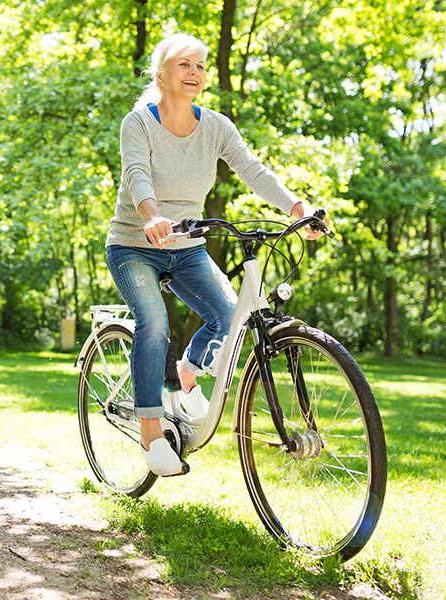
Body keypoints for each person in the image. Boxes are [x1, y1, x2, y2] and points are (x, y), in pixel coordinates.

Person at [106, 33, 331, 476]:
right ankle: (152, 434)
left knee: (230, 315)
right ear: (161, 75)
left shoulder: (215, 126)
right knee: (154, 324)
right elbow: (136, 174)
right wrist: (151, 215)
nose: (195, 73)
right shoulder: (139, 122)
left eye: (201, 66)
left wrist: (297, 208)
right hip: (135, 245)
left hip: (186, 247)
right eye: (184, 65)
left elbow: (252, 169)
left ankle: (187, 375)